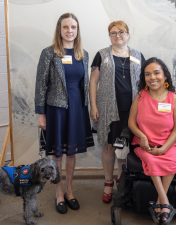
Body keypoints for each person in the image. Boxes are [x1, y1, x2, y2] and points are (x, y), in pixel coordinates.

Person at [35, 13, 94, 214]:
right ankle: (58, 193)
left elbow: (84, 84)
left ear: (78, 31)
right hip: (56, 110)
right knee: (57, 154)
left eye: (74, 27)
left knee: (71, 153)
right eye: (66, 27)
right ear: (59, 30)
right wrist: (41, 114)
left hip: (77, 109)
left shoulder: (83, 54)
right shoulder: (49, 53)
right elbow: (40, 86)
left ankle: (69, 191)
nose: (70, 31)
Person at [89, 20, 145, 203]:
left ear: (128, 34)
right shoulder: (102, 55)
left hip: (132, 110)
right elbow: (93, 82)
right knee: (109, 147)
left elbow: (145, 84)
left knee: (124, 148)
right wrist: (93, 106)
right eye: (113, 33)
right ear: (110, 36)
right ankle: (108, 183)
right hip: (108, 109)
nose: (117, 35)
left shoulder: (138, 55)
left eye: (121, 32)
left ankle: (122, 183)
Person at [128, 58, 176, 225]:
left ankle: (160, 202)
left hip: (171, 144)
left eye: (156, 73)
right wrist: (142, 136)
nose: (152, 77)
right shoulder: (141, 95)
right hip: (145, 144)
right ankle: (165, 202)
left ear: (165, 76)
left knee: (168, 158)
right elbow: (131, 123)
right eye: (147, 74)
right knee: (151, 158)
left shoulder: (173, 98)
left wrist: (163, 149)